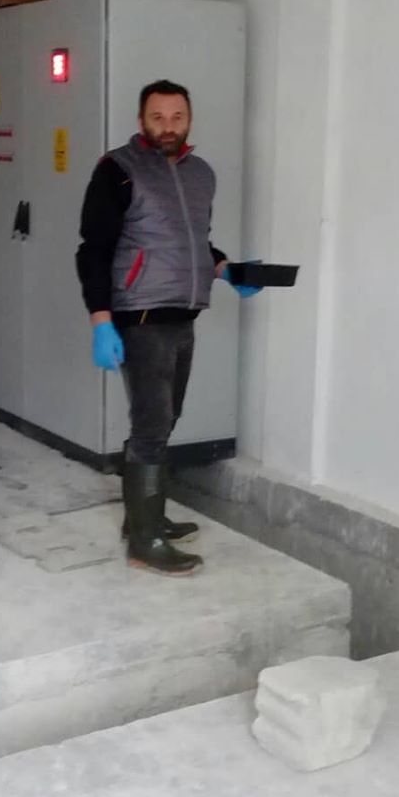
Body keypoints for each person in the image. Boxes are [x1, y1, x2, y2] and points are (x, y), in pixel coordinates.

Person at [76, 79, 259, 576]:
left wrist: (227, 270)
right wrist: (101, 320)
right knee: (153, 425)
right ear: (141, 121)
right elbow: (93, 249)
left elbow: (194, 241)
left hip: (182, 314)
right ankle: (145, 542)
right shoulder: (117, 170)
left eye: (177, 117)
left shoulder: (200, 174)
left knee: (165, 416)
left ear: (189, 120)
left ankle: (143, 517)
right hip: (140, 316)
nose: (168, 127)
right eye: (157, 118)